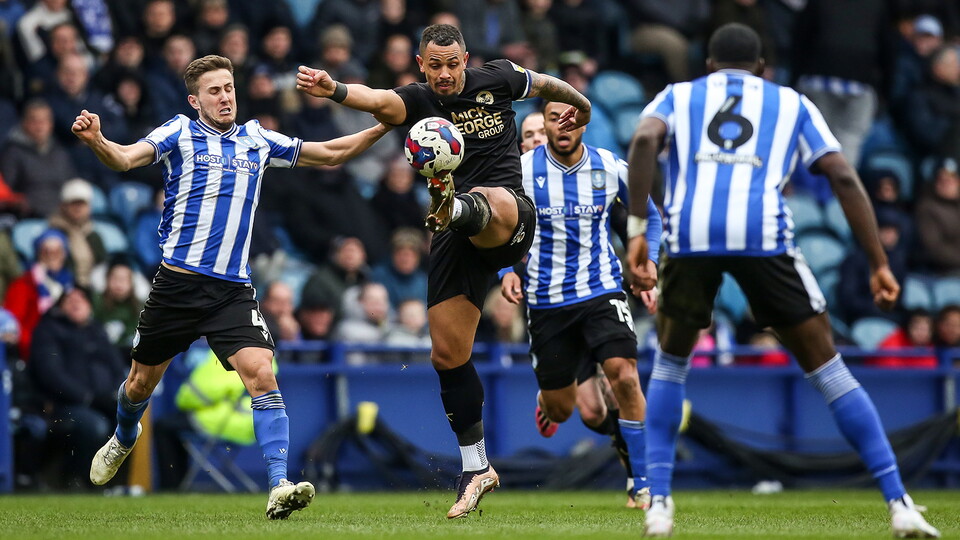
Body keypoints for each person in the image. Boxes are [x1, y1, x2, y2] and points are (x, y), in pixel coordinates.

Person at [625, 24, 940, 538]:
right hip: (762, 236)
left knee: (671, 366)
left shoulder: (679, 95)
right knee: (830, 370)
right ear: (762, 69)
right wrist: (879, 262)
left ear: (708, 65)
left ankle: (659, 504)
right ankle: (899, 503)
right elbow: (841, 175)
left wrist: (638, 229)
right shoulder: (790, 102)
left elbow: (642, 139)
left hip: (690, 236)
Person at [71, 54, 391, 519]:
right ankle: (124, 436)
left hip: (231, 292)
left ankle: (279, 483)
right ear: (195, 100)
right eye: (215, 91)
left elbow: (330, 153)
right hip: (176, 287)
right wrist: (98, 140)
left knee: (262, 373)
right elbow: (123, 159)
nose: (225, 97)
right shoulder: (177, 133)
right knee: (140, 384)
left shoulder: (256, 139)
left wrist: (384, 124)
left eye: (230, 88)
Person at [296, 23, 592, 518]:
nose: (445, 74)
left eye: (452, 63)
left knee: (492, 200)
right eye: (434, 65)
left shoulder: (496, 78)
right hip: (454, 237)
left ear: (465, 59)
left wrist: (578, 103)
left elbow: (544, 84)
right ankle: (476, 467)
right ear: (421, 64)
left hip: (507, 215)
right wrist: (337, 90)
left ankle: (456, 207)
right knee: (447, 354)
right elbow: (377, 101)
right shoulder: (415, 100)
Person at [500, 100, 662, 509]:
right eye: (554, 118)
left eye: (572, 117)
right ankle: (549, 402)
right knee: (569, 410)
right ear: (546, 126)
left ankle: (643, 482)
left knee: (624, 377)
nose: (563, 124)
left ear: (586, 122)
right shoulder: (520, 172)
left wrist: (648, 261)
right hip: (547, 301)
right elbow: (494, 227)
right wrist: (506, 271)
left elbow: (650, 217)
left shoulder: (610, 166)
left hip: (601, 290)